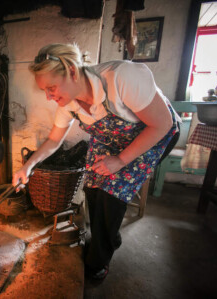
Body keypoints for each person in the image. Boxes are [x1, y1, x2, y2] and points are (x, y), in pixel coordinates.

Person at [12, 43, 180, 280]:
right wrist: (27, 166)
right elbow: (53, 141)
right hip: (113, 138)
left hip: (154, 133)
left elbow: (162, 124)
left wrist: (121, 160)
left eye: (51, 88)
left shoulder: (122, 77)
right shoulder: (68, 103)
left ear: (71, 70)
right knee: (92, 184)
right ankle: (110, 236)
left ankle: (98, 262)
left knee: (112, 192)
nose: (49, 97)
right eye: (45, 91)